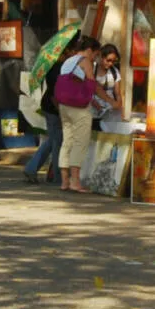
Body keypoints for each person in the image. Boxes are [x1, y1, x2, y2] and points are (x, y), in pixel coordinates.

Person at [23, 40, 75, 185]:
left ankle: (34, 169)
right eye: (71, 51)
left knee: (54, 140)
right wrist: (61, 111)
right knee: (56, 141)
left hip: (52, 107)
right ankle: (53, 175)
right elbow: (54, 93)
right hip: (53, 109)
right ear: (66, 52)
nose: (73, 54)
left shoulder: (59, 67)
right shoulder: (57, 69)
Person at [56, 36, 100, 193]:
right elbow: (91, 82)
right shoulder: (85, 61)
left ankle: (64, 181)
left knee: (67, 141)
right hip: (78, 108)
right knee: (80, 142)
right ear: (89, 50)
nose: (94, 59)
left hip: (64, 106)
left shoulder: (68, 61)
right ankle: (75, 182)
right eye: (95, 54)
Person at [92, 43, 122, 125]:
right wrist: (98, 106)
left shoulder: (114, 72)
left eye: (113, 61)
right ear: (102, 56)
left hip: (109, 114)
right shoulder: (92, 69)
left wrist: (118, 105)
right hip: (93, 113)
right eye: (108, 60)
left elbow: (117, 93)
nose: (110, 64)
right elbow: (86, 91)